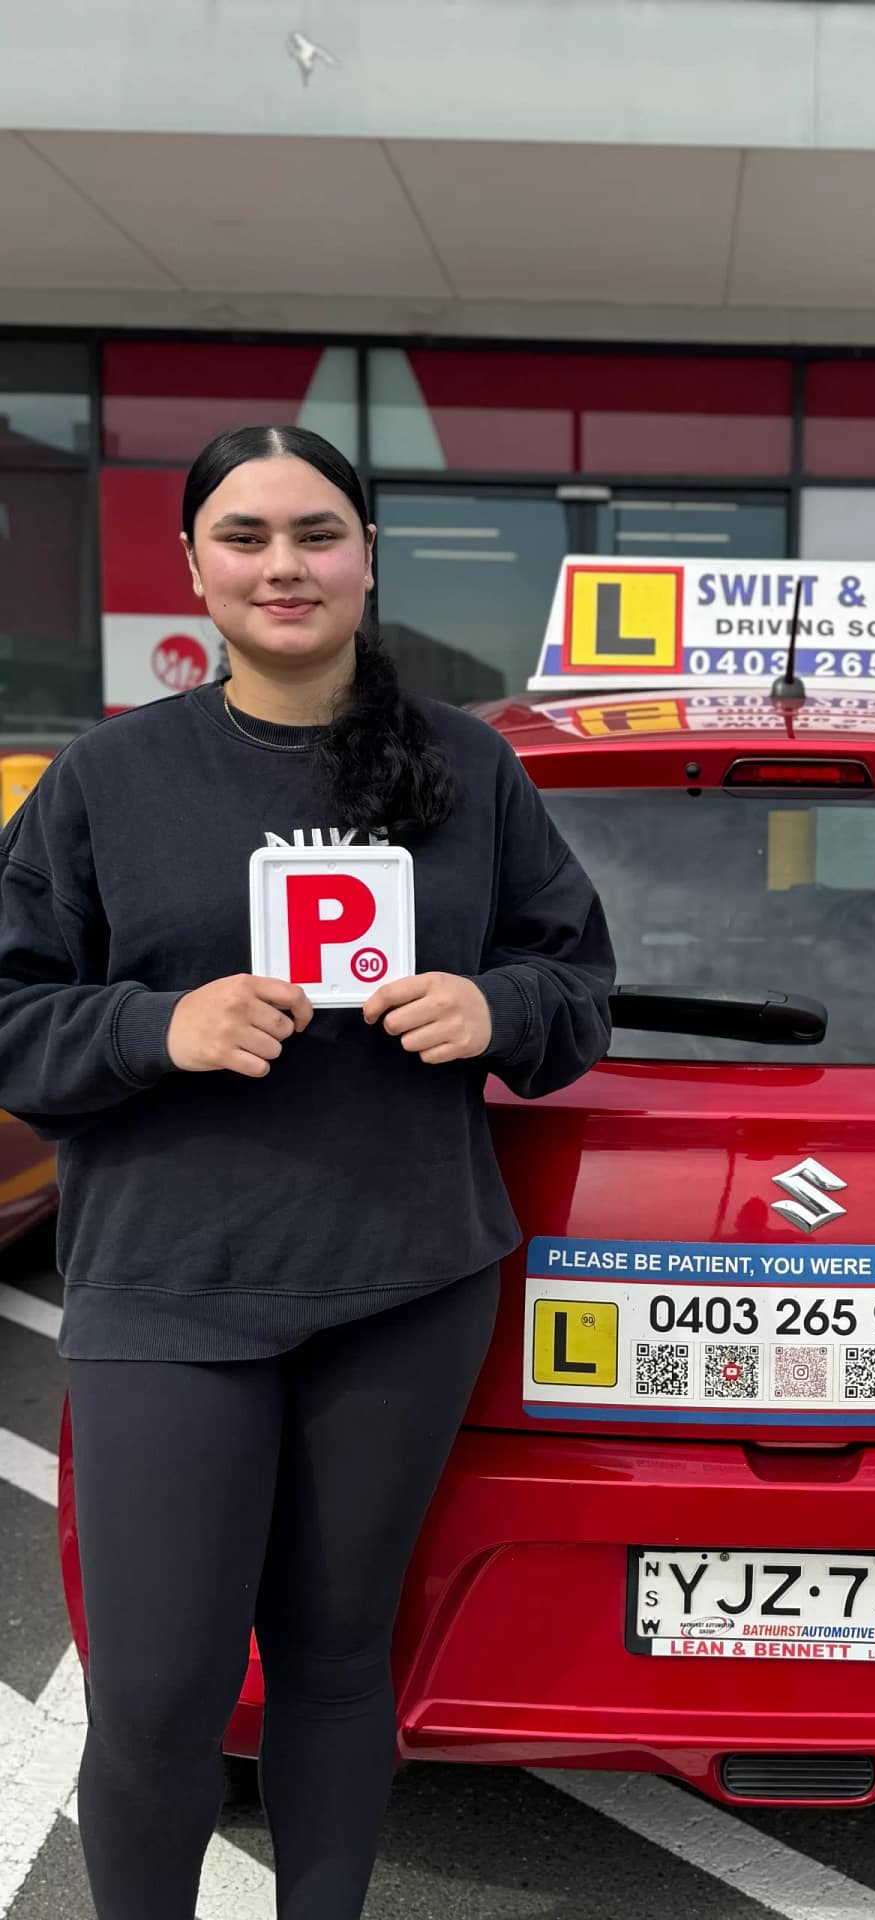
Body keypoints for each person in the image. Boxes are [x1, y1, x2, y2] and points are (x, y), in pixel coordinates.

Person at [0, 425, 615, 1919]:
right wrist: (157, 1027)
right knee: (159, 1689)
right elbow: (14, 1023)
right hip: (170, 1287)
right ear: (194, 568)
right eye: (248, 535)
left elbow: (577, 986)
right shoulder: (107, 779)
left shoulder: (471, 767)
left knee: (339, 1661)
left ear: (368, 556)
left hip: (405, 1280)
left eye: (318, 533)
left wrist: (497, 1007)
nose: (286, 565)